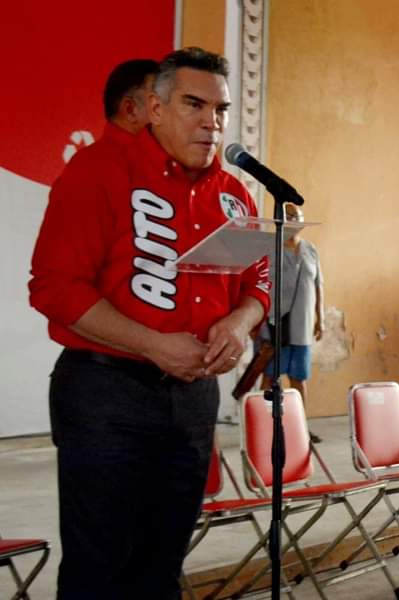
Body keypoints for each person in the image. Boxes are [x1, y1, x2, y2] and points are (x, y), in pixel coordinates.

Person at [29, 47, 270, 600]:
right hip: (107, 392)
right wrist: (154, 344)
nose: (212, 121)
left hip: (192, 400)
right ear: (154, 108)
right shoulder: (98, 171)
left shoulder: (233, 194)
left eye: (221, 108)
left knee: (163, 563)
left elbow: (260, 280)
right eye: (194, 104)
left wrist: (240, 321)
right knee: (101, 565)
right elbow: (54, 287)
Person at [259, 203, 325, 443]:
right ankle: (265, 427)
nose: (293, 220)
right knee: (269, 376)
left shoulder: (311, 250)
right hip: (275, 323)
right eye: (288, 216)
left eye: (297, 216)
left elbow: (318, 285)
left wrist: (321, 318)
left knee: (299, 377)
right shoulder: (269, 248)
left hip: (302, 325)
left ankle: (300, 428)